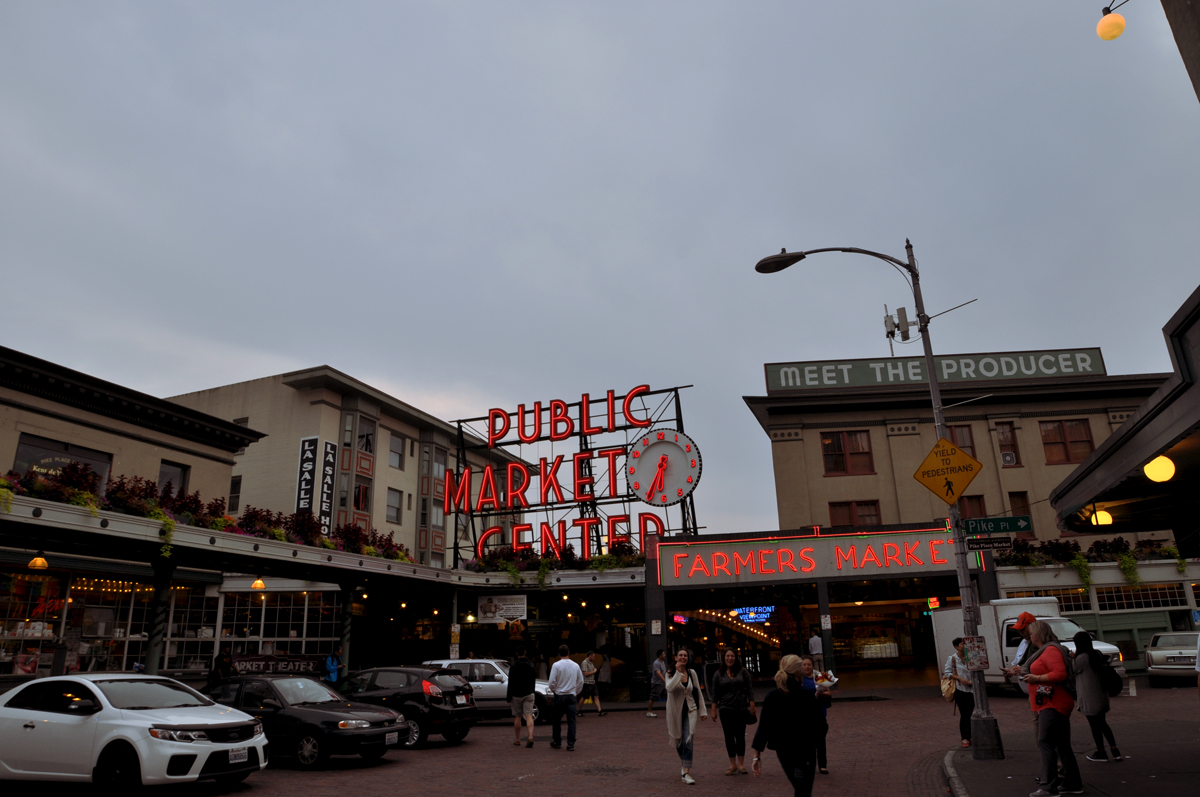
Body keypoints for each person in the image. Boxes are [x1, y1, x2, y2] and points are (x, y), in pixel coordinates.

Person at [1021, 620, 1083, 796]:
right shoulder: (1049, 649)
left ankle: (1048, 786)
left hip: (1053, 702)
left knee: (1045, 742)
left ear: (1038, 634)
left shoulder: (1050, 650)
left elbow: (1059, 673)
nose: (1030, 637)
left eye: (1031, 633)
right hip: (1052, 702)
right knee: (1061, 744)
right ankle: (1072, 783)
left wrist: (1036, 678)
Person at [750, 654, 823, 797]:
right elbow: (819, 724)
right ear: (798, 672)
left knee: (800, 788)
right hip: (805, 750)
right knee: (804, 790)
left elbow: (764, 727)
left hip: (784, 750)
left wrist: (756, 755)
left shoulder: (772, 696)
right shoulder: (806, 695)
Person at [1072, 631, 1120, 762]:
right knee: (1103, 723)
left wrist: (1072, 657)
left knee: (1094, 726)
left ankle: (1101, 752)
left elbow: (1074, 669)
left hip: (1088, 697)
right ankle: (1115, 750)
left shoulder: (1081, 658)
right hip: (1101, 694)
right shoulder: (1097, 654)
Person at [708, 648, 754, 775]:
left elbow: (749, 689)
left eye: (732, 656)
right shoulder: (718, 674)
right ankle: (732, 764)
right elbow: (715, 693)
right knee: (729, 736)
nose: (730, 658)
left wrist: (752, 704)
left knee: (740, 736)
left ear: (736, 657)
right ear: (724, 658)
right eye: (727, 656)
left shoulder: (743, 672)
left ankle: (741, 764)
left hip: (741, 708)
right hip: (725, 708)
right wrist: (713, 710)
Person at [666, 647, 708, 785]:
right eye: (680, 655)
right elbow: (669, 688)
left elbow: (697, 692)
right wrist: (678, 673)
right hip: (675, 713)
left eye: (685, 655)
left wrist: (703, 711)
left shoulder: (692, 673)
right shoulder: (670, 673)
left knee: (688, 740)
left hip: (690, 710)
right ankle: (684, 762)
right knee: (679, 742)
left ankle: (686, 772)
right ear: (676, 658)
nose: (683, 657)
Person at [798, 654, 833, 774]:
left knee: (820, 739)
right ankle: (809, 764)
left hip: (819, 711)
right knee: (807, 741)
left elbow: (829, 692)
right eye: (804, 665)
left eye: (809, 664)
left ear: (813, 666)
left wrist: (821, 694)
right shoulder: (798, 678)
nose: (806, 667)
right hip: (805, 713)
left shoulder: (819, 676)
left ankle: (823, 765)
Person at [547, 644, 583, 751]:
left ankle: (557, 741)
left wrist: (555, 690)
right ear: (569, 653)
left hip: (559, 695)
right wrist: (575, 692)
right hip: (571, 695)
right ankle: (570, 744)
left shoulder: (556, 665)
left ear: (559, 654)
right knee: (571, 721)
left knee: (556, 720)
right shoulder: (575, 665)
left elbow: (551, 682)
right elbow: (580, 681)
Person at [944, 637, 974, 748]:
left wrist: (972, 680)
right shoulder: (952, 659)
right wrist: (959, 678)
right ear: (957, 647)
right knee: (964, 714)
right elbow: (947, 673)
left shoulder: (971, 657)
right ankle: (965, 737)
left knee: (970, 713)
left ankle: (969, 736)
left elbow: (976, 671)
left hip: (971, 689)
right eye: (962, 644)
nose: (964, 646)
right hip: (960, 690)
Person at [507, 645, 537, 748]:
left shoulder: (514, 666)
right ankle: (530, 737)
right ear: (525, 653)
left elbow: (510, 682)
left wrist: (509, 696)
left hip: (516, 694)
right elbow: (533, 679)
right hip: (528, 692)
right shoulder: (531, 665)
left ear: (517, 654)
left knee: (517, 716)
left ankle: (518, 739)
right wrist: (532, 690)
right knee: (529, 715)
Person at [580, 650, 607, 716]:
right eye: (593, 657)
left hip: (592, 682)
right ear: (590, 656)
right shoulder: (584, 663)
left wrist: (596, 670)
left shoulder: (591, 663)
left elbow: (592, 670)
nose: (594, 658)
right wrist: (594, 671)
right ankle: (578, 710)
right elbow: (585, 673)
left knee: (596, 696)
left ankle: (599, 711)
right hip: (587, 683)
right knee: (584, 697)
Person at [648, 648, 668, 717]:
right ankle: (649, 712)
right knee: (653, 697)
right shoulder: (656, 663)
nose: (665, 655)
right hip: (657, 683)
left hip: (662, 683)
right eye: (663, 654)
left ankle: (671, 710)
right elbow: (658, 673)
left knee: (668, 696)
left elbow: (664, 672)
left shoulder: (662, 662)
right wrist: (665, 680)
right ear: (660, 655)